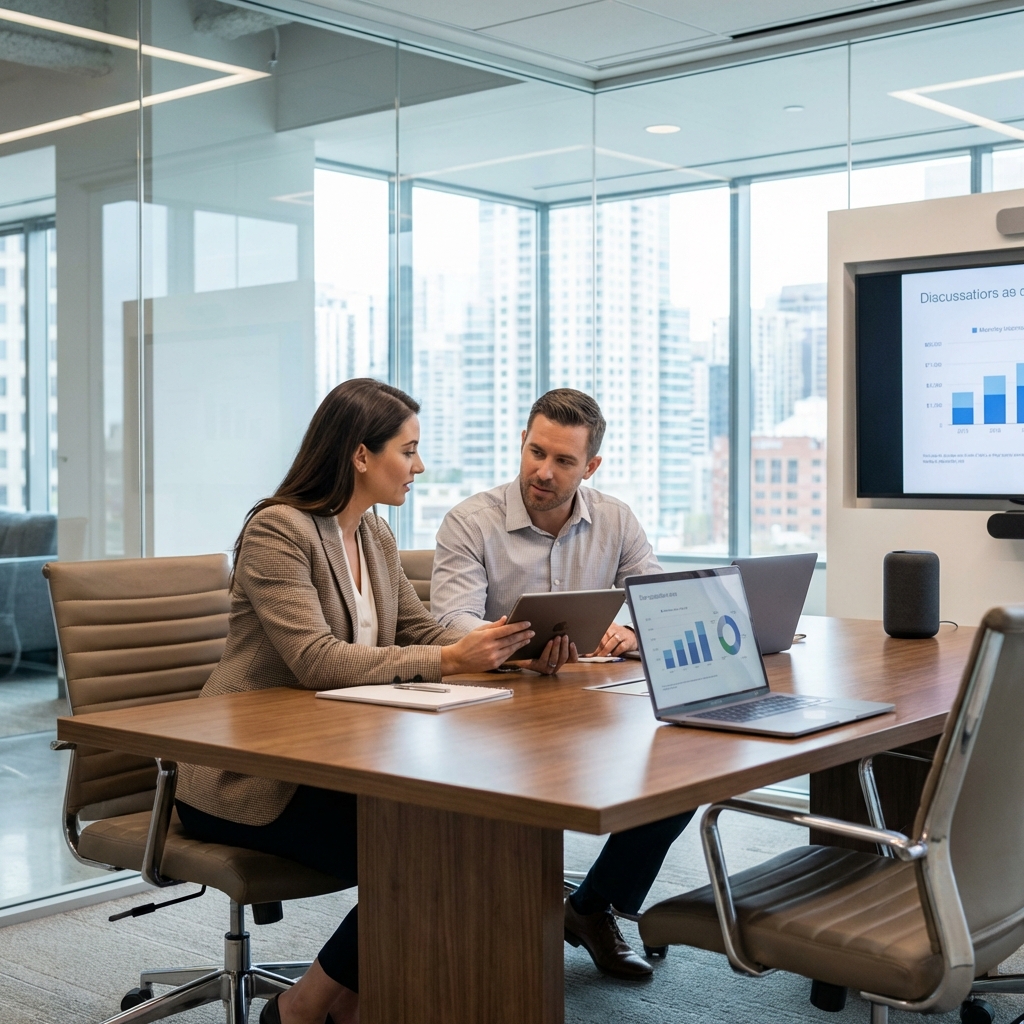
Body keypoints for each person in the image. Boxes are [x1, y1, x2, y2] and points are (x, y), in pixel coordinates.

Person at [174, 378, 561, 1024]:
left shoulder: (373, 535)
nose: (420, 465)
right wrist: (448, 659)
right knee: (430, 842)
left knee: (471, 826)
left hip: (328, 757)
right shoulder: (279, 532)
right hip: (246, 776)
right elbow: (318, 661)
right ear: (360, 455)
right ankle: (303, 1009)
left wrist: (506, 645)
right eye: (408, 450)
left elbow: (421, 634)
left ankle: (348, 999)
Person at [430, 388, 695, 980]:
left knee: (686, 766)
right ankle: (484, 933)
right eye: (535, 452)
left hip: (586, 709)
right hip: (492, 714)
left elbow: (658, 601)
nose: (543, 472)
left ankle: (592, 905)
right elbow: (450, 621)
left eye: (563, 461)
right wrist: (516, 652)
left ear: (591, 467)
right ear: (521, 443)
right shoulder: (470, 522)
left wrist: (631, 629)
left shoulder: (616, 519)